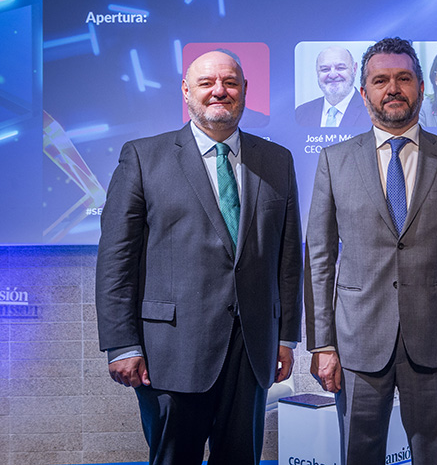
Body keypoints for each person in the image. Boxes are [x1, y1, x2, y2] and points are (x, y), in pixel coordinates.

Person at [95, 50, 303, 465]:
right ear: (186, 92)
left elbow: (287, 257)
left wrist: (285, 337)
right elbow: (117, 260)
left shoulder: (277, 159)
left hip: (251, 352)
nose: (219, 91)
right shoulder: (142, 157)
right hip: (170, 352)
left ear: (245, 91)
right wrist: (121, 345)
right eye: (206, 83)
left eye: (229, 82)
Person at [304, 37, 437, 465]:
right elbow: (319, 259)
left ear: (421, 87)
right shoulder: (334, 160)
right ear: (363, 91)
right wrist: (322, 344)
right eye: (381, 80)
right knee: (359, 454)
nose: (393, 88)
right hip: (356, 342)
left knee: (434, 455)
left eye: (404, 78)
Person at [295, 45, 371, 127]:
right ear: (317, 72)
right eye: (325, 69)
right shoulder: (301, 113)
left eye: (340, 68)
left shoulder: (372, 111)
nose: (333, 75)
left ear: (354, 69)